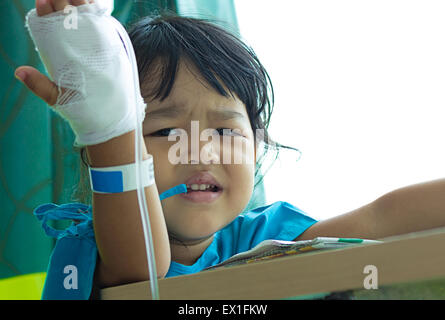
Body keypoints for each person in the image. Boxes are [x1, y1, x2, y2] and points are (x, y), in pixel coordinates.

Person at [16, 0, 445, 299]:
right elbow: (141, 269)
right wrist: (110, 127)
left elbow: (383, 217)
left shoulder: (266, 241)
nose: (200, 152)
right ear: (102, 152)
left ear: (259, 147)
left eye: (225, 131)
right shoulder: (95, 249)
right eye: (165, 132)